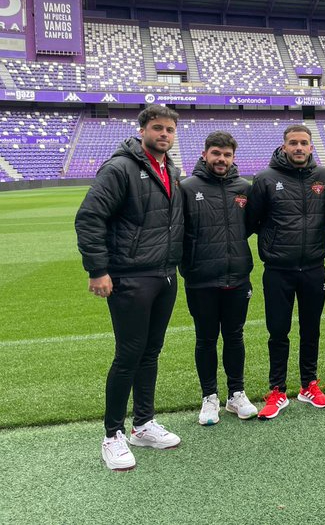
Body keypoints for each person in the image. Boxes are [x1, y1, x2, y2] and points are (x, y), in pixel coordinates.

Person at [75, 104, 184, 471]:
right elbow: (90, 217)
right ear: (142, 131)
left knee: (151, 352)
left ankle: (143, 424)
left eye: (169, 129)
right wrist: (98, 270)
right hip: (131, 276)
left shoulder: (171, 168)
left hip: (165, 274)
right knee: (129, 355)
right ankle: (112, 435)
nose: (164, 134)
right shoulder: (120, 167)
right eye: (157, 128)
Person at [245, 125, 325, 420]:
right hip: (278, 269)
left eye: (304, 143)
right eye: (293, 143)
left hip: (313, 268)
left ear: (311, 147)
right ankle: (277, 390)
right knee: (278, 331)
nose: (298, 147)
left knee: (311, 328)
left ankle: (309, 385)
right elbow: (252, 221)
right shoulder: (265, 179)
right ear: (284, 147)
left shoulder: (324, 177)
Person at [179, 131, 258, 425]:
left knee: (235, 336)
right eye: (216, 154)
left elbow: (248, 226)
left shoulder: (243, 188)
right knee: (206, 338)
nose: (221, 159)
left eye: (226, 155)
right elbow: (179, 232)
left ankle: (236, 394)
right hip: (201, 278)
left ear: (233, 158)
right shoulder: (187, 188)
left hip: (237, 276)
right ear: (205, 155)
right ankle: (209, 397)